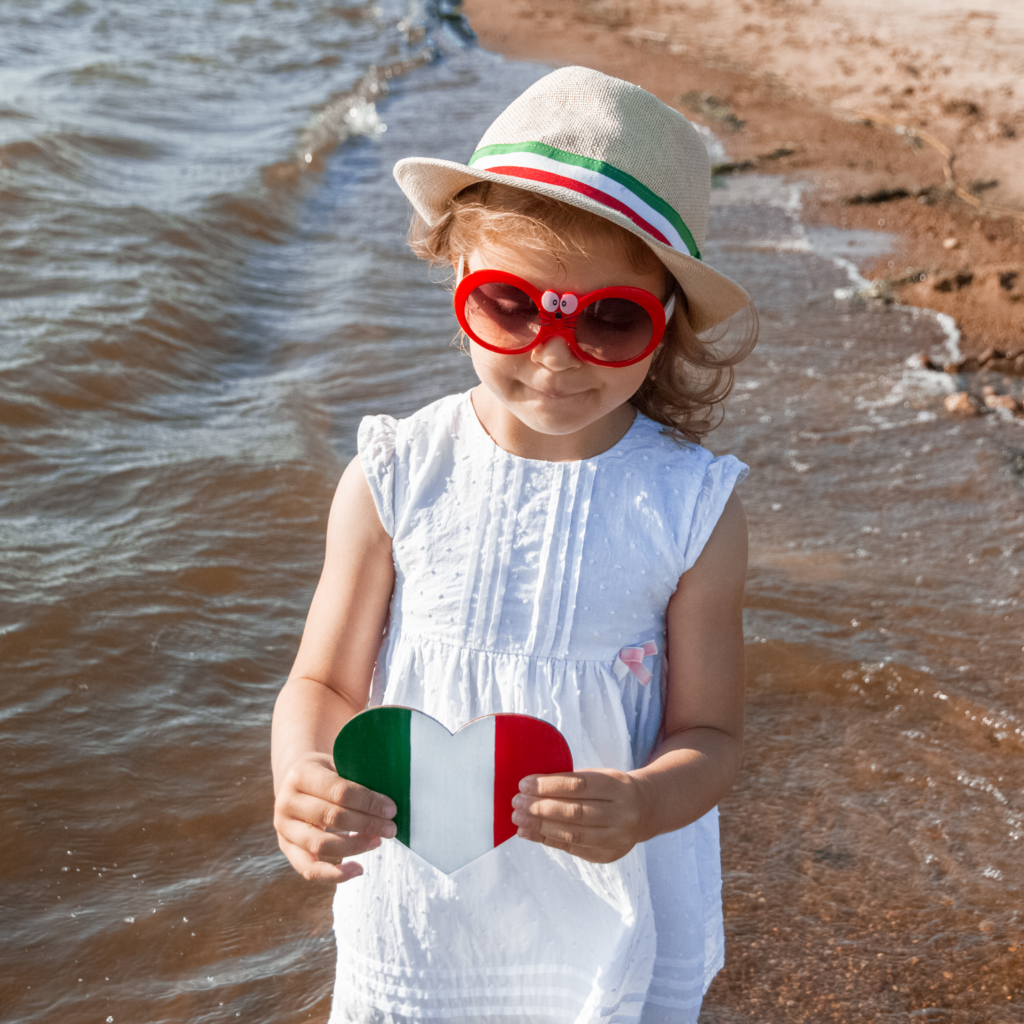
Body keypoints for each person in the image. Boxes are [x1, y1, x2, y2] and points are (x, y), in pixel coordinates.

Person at [271, 65, 757, 1024]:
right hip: (418, 896)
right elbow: (322, 685)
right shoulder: (395, 475)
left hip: (604, 895)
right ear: (456, 276)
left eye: (610, 319)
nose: (552, 352)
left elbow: (711, 735)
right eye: (512, 304)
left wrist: (647, 802)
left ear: (665, 330)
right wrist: (303, 779)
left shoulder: (692, 507)